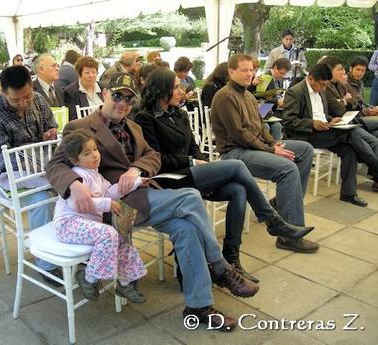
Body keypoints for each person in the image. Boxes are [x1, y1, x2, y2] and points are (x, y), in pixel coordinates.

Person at [47, 72, 260, 332]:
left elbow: (153, 155)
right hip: (111, 208)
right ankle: (220, 266)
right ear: (104, 94)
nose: (123, 103)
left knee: (188, 228)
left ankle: (198, 306)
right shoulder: (79, 127)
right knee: (192, 197)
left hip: (143, 195)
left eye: (129, 98)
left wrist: (136, 169)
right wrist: (74, 185)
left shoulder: (133, 126)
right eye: (117, 95)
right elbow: (55, 164)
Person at [134, 68, 314, 282]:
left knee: (238, 190)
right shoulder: (145, 118)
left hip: (191, 172)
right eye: (175, 87)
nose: (181, 91)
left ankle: (232, 257)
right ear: (161, 90)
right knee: (236, 165)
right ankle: (271, 220)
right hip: (167, 180)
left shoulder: (179, 113)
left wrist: (199, 161)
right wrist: (193, 162)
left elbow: (193, 147)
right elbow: (157, 159)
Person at [211, 54, 318, 254]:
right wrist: (271, 149)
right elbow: (239, 134)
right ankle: (288, 236)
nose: (249, 73)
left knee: (305, 150)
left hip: (253, 147)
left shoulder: (249, 95)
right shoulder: (225, 96)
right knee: (287, 168)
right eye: (244, 70)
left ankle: (282, 202)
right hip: (235, 154)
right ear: (231, 72)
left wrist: (272, 142)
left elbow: (260, 126)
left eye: (251, 70)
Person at [0, 65, 60, 285]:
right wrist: (27, 157)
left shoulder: (38, 100)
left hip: (42, 169)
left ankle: (65, 244)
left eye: (27, 96)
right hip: (8, 177)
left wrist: (49, 134)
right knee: (42, 200)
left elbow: (51, 128)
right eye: (16, 100)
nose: (23, 103)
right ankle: (46, 263)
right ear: (3, 92)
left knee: (72, 187)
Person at [54, 129, 147, 302]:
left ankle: (126, 282)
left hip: (88, 227)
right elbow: (75, 203)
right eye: (87, 153)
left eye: (95, 149)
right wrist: (107, 204)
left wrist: (136, 183)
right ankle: (88, 278)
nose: (95, 155)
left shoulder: (96, 176)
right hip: (69, 224)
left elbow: (110, 191)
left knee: (120, 236)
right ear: (75, 160)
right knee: (109, 233)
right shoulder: (78, 177)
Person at [283, 63, 378, 201]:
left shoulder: (321, 89)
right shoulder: (295, 92)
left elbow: (321, 114)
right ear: (310, 79)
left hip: (324, 130)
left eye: (325, 84)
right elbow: (288, 121)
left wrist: (331, 119)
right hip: (305, 135)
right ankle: (375, 166)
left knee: (348, 149)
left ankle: (348, 193)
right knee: (349, 134)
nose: (323, 88)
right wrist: (312, 124)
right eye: (321, 84)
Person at [348, 55, 378, 137]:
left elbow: (363, 103)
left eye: (363, 71)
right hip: (355, 119)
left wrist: (372, 108)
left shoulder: (360, 83)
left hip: (364, 117)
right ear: (351, 69)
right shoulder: (345, 83)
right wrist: (366, 111)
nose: (360, 73)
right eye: (357, 69)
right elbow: (350, 107)